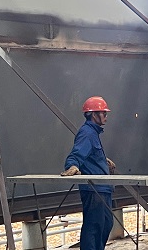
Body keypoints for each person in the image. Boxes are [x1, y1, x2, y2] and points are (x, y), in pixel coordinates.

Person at [61, 97, 116, 250]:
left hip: (102, 189)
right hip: (94, 190)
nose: (106, 117)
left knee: (106, 224)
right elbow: (76, 154)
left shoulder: (93, 133)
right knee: (94, 227)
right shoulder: (87, 133)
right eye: (103, 113)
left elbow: (88, 153)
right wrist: (72, 166)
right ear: (93, 115)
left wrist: (102, 160)